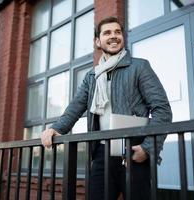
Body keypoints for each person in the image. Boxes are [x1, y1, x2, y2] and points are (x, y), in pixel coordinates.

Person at [41, 16, 172, 200]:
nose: (114, 36)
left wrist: (148, 147)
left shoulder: (139, 67)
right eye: (107, 32)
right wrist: (55, 128)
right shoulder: (92, 76)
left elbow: (162, 110)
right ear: (97, 41)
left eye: (117, 32)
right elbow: (75, 107)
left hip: (133, 151)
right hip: (102, 154)